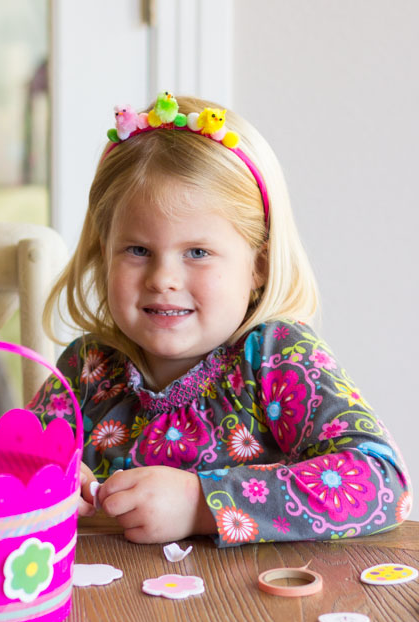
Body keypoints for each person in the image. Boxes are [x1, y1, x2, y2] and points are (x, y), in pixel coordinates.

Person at [29, 92, 412, 545]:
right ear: (103, 255)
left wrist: (201, 504)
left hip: (250, 611)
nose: (163, 278)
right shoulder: (87, 368)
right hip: (106, 611)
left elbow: (380, 482)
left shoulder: (276, 357)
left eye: (197, 252)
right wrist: (47, 480)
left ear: (258, 266)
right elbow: (12, 460)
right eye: (137, 250)